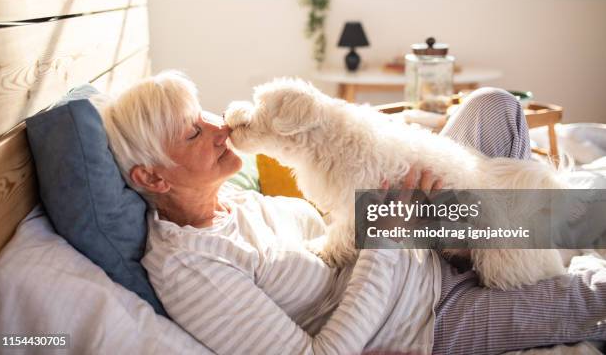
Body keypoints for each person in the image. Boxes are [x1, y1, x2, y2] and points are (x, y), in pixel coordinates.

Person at [101, 71, 606, 355]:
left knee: (493, 107)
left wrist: (413, 208)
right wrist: (393, 230)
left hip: (417, 229)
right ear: (152, 178)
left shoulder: (234, 198)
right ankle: (533, 239)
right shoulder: (191, 267)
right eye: (194, 132)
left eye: (204, 116)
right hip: (425, 314)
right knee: (592, 299)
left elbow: (339, 218)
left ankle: (524, 232)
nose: (219, 129)